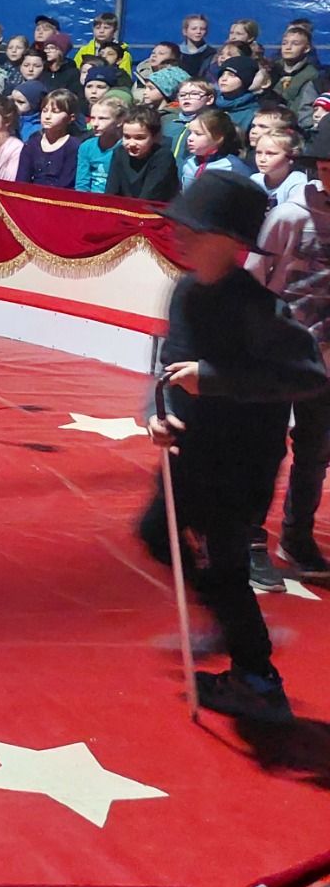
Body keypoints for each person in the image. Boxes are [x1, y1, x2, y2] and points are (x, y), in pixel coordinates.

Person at [144, 171, 328, 721]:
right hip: (189, 450)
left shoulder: (258, 308)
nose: (180, 236)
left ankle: (257, 677)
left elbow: (308, 375)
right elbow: (168, 367)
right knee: (156, 533)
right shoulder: (185, 292)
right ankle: (229, 619)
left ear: (230, 241)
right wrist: (160, 414)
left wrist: (213, 378)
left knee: (226, 569)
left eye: (195, 229)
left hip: (240, 462)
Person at [251, 119, 330, 582]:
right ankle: (249, 538)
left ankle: (297, 536)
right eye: (325, 166)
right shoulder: (290, 215)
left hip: (324, 361)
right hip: (279, 353)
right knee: (264, 446)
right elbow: (253, 278)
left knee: (316, 450)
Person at [105, 105, 179, 202]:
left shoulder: (163, 157)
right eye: (127, 137)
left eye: (139, 138)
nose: (131, 143)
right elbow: (111, 191)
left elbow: (150, 196)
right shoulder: (120, 153)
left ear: (155, 137)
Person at [18, 86, 79, 189]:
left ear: (71, 118)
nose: (47, 116)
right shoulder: (32, 143)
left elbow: (66, 183)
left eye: (55, 112)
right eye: (45, 110)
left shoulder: (73, 146)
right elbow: (21, 180)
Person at [179, 108, 251, 188]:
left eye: (198, 134)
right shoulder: (189, 162)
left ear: (219, 138)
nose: (189, 138)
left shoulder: (233, 167)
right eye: (190, 132)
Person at [74, 97, 128, 194]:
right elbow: (82, 184)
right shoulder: (87, 146)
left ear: (120, 121)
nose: (95, 124)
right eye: (92, 118)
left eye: (102, 118)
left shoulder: (125, 147)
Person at [273, 22, 320, 119]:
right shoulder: (271, 69)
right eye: (284, 43)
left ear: (306, 48)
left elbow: (302, 106)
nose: (288, 47)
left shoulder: (311, 75)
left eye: (295, 44)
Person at [256, 127, 308, 211]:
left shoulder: (299, 184)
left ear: (292, 157)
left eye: (271, 154)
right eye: (258, 152)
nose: (262, 159)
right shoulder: (255, 180)